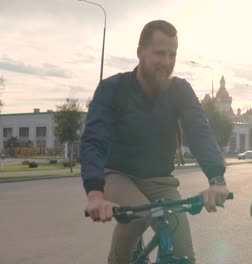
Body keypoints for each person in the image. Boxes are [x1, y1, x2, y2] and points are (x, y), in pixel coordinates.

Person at [80, 20, 229, 264]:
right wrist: (95, 194)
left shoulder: (180, 90)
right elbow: (94, 140)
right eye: (160, 54)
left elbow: (199, 131)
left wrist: (217, 179)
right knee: (141, 214)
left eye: (173, 55)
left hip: (160, 179)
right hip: (117, 174)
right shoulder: (113, 89)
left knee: (183, 255)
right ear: (140, 52)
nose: (167, 62)